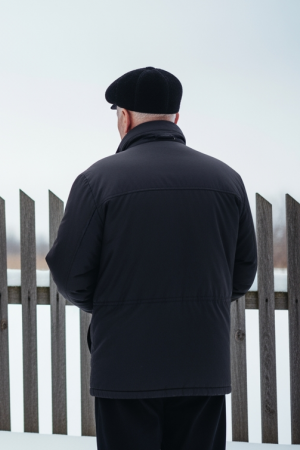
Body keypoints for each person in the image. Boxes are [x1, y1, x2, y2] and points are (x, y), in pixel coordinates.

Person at [46, 67, 257, 450]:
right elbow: (242, 273)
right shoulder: (227, 180)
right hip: (201, 364)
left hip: (125, 369)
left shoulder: (98, 181)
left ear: (124, 117)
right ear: (176, 117)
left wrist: (115, 306)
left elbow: (68, 272)